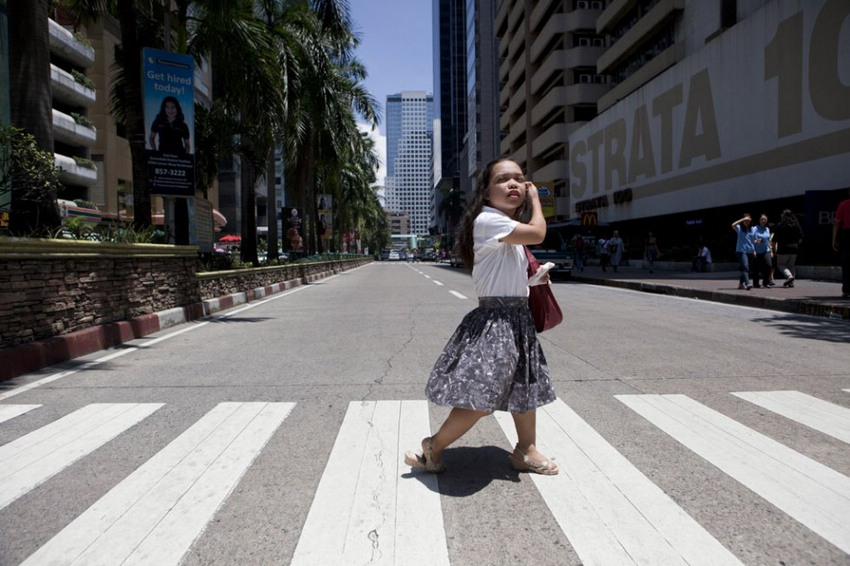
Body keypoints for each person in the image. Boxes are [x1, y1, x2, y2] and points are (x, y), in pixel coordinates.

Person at [404, 158, 558, 475]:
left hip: (517, 318)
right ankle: (433, 446)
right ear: (487, 192)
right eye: (503, 179)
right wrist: (535, 200)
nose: (514, 184)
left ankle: (525, 450)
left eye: (519, 178)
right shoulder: (490, 221)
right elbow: (539, 233)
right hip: (496, 322)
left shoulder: (506, 227)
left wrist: (533, 281)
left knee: (523, 386)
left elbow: (505, 273)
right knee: (481, 397)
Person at [774, 209, 804, 287]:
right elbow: (801, 237)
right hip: (794, 248)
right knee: (791, 265)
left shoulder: (780, 225)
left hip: (783, 248)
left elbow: (774, 239)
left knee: (781, 265)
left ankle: (789, 276)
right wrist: (797, 244)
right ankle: (791, 282)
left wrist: (773, 248)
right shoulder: (796, 224)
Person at [834, 189, 850, 298]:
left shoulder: (844, 204)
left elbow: (836, 222)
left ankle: (847, 290)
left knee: (847, 263)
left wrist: (834, 239)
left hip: (847, 235)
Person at [732, 214, 755, 290]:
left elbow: (753, 240)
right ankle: (747, 283)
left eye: (748, 220)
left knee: (747, 268)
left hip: (750, 251)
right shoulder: (739, 228)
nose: (747, 222)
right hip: (741, 251)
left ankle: (741, 284)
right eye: (746, 220)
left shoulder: (752, 229)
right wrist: (742, 219)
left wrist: (755, 249)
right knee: (745, 267)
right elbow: (733, 225)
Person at [751, 214, 772, 288]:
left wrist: (771, 250)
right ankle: (755, 283)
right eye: (761, 219)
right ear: (759, 220)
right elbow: (751, 240)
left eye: (765, 219)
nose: (763, 221)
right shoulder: (754, 229)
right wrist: (754, 248)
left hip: (766, 250)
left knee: (769, 266)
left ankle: (765, 282)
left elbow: (768, 240)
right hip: (756, 250)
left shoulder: (767, 229)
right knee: (756, 268)